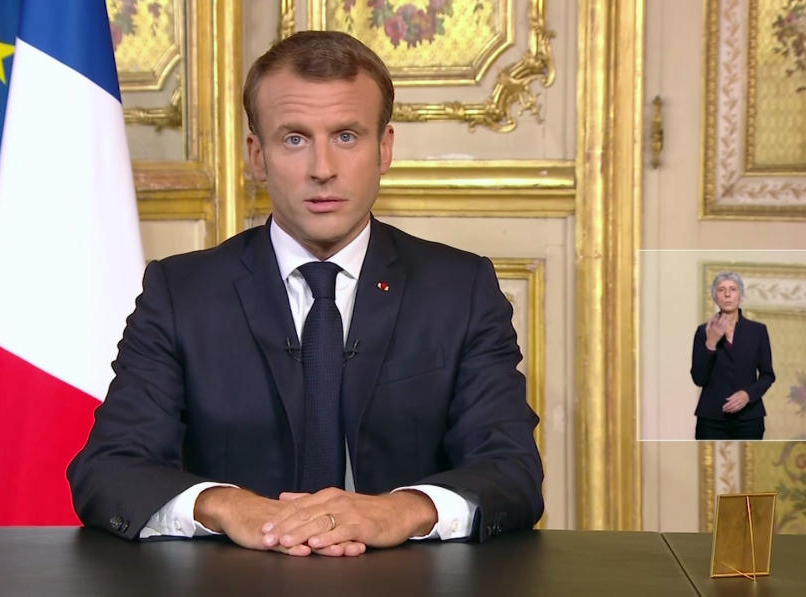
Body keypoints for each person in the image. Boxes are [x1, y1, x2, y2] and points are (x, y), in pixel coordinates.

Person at [68, 31, 543, 557]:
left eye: (346, 136)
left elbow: (512, 471)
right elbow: (108, 470)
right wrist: (229, 506)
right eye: (294, 138)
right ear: (257, 154)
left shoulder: (459, 290)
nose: (322, 168)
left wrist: (397, 511)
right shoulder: (180, 293)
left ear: (384, 149)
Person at [690, 272, 774, 440]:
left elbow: (768, 375)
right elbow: (698, 378)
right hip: (712, 420)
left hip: (749, 419)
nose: (727, 294)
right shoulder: (703, 331)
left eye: (733, 289)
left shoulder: (758, 331)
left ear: (740, 296)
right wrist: (711, 343)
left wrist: (748, 394)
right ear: (715, 297)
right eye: (721, 290)